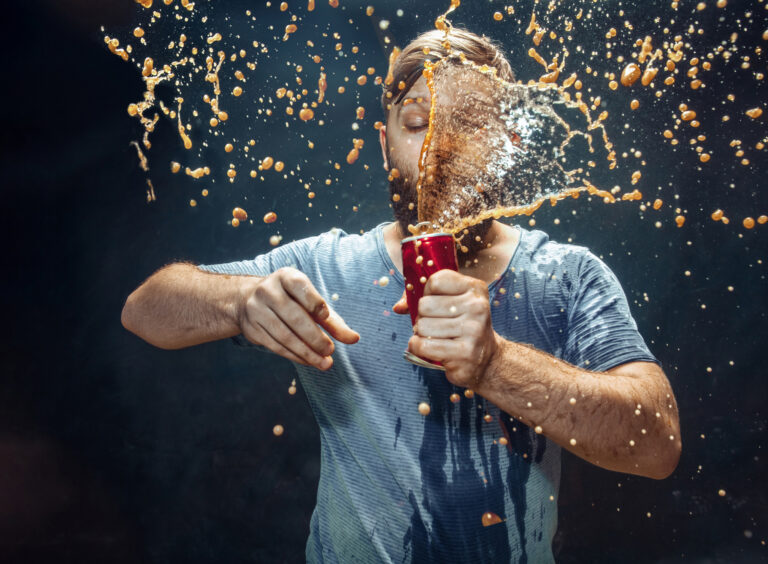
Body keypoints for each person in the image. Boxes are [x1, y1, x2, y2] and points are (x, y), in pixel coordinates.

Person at [121, 28, 681, 564]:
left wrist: (495, 364)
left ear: (509, 145)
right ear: (386, 144)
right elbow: (145, 310)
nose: (439, 150)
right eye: (417, 124)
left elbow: (657, 445)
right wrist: (239, 300)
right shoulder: (324, 267)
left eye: (471, 125)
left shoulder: (568, 275)